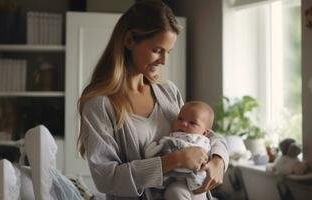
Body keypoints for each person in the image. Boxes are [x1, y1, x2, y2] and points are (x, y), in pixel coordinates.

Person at [77, 1, 229, 199]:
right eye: (157, 50)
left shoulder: (168, 92)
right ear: (130, 40)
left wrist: (218, 159)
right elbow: (107, 178)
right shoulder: (99, 104)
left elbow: (203, 134)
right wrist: (174, 160)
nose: (163, 61)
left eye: (168, 52)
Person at [144, 101, 214, 199]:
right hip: (177, 182)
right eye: (180, 119)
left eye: (192, 123)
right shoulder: (172, 138)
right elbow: (156, 151)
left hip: (199, 184)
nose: (183, 124)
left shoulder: (204, 142)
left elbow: (210, 153)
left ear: (205, 133)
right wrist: (154, 148)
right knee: (174, 192)